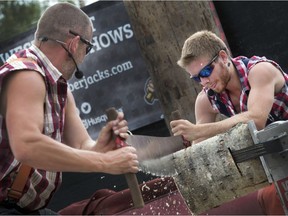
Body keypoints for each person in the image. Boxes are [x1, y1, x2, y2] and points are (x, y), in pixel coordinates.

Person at [0, 3, 138, 215]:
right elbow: (27, 145)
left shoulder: (57, 84)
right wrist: (104, 161)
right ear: (74, 43)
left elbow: (81, 144)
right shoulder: (26, 74)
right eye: (87, 48)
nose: (85, 56)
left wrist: (101, 147)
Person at [170, 30, 286, 215]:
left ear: (223, 57)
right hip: (278, 158)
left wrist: (201, 130)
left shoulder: (260, 71)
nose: (204, 81)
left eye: (206, 71)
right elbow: (197, 155)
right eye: (196, 77)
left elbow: (256, 120)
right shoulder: (205, 100)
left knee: (271, 196)